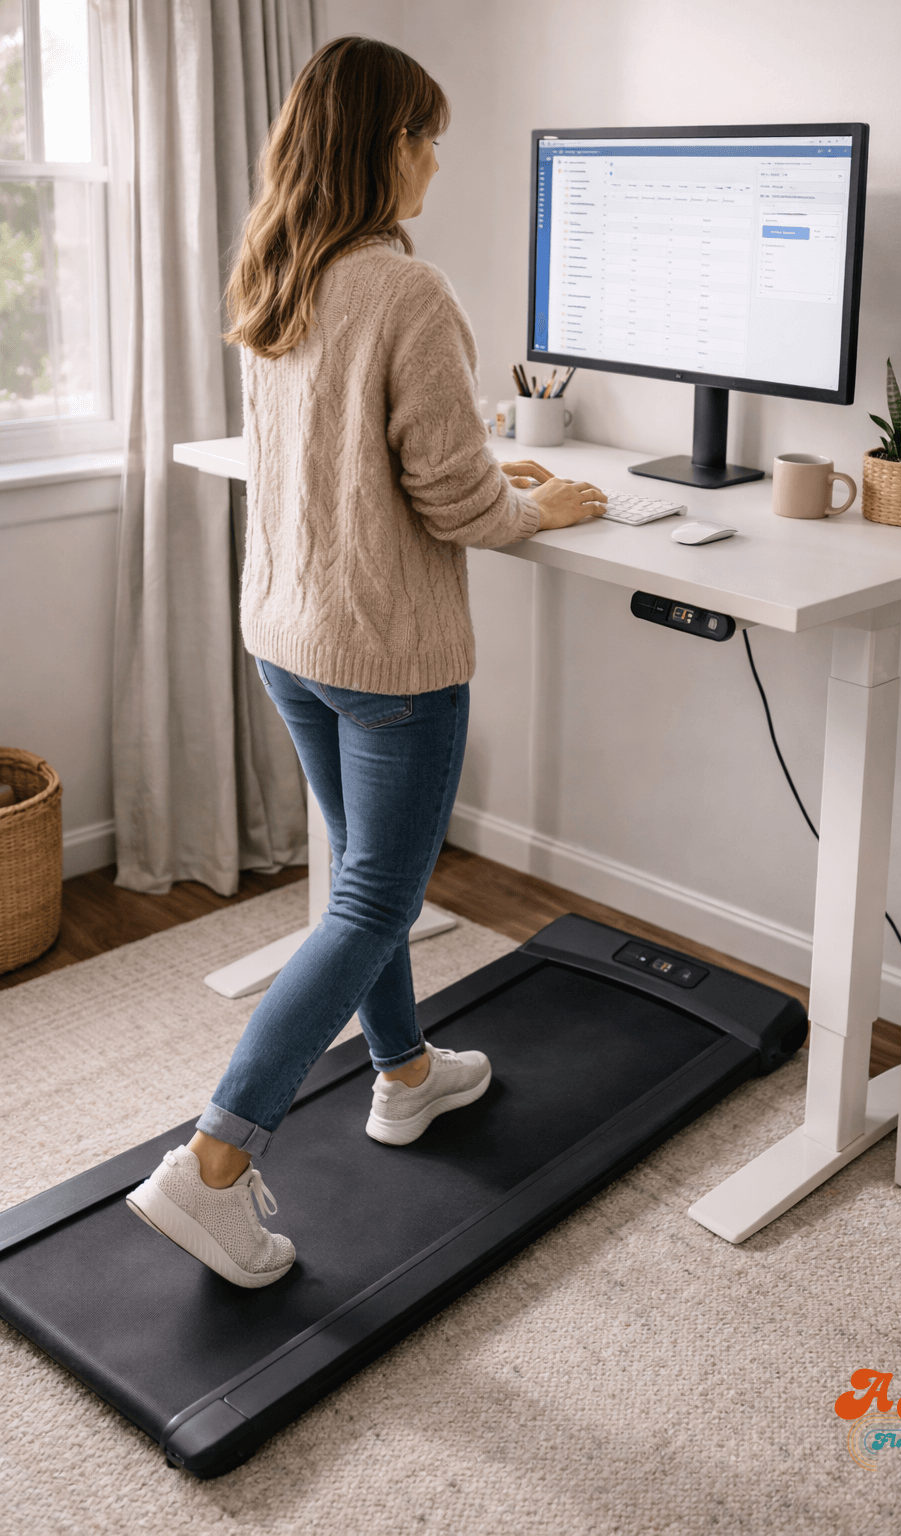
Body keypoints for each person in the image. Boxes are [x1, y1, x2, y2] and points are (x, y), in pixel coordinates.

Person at [126, 36, 606, 1288]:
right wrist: (533, 509)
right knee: (376, 899)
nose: (438, 158)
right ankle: (211, 1166)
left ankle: (402, 1077)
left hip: (290, 631)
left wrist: (488, 478)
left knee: (364, 880)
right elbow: (449, 500)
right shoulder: (406, 287)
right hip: (386, 653)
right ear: (384, 144)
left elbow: (364, 458)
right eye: (427, 136)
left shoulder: (280, 271)